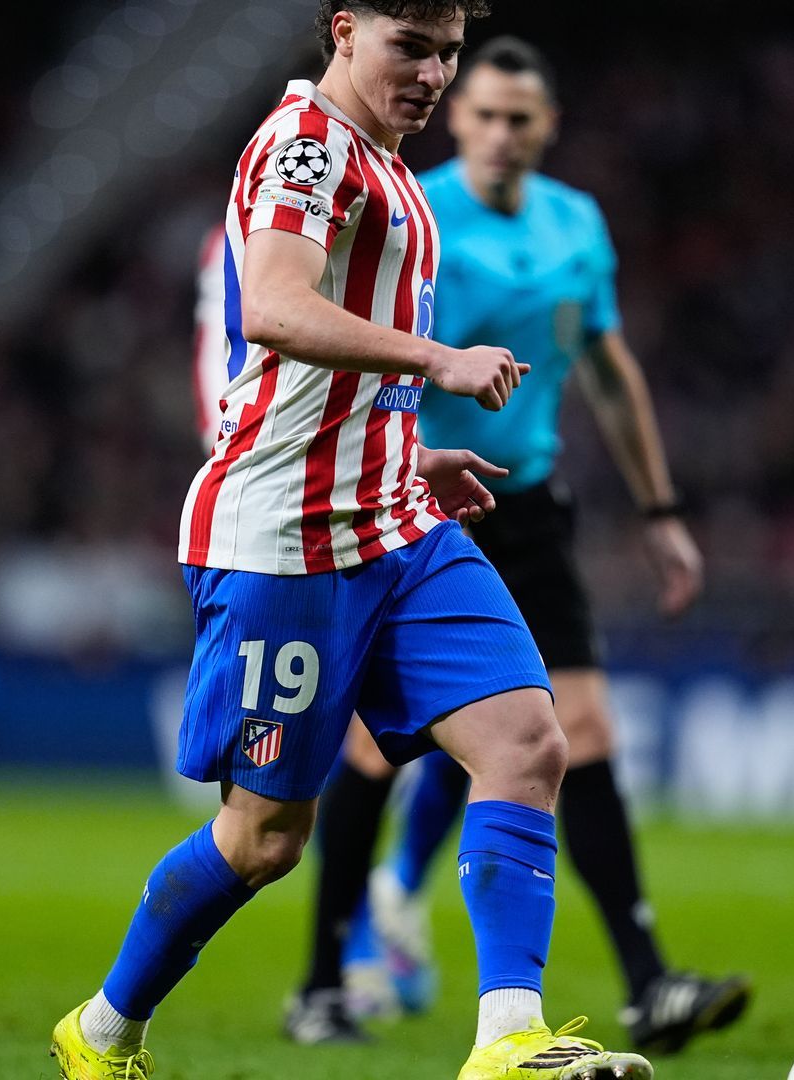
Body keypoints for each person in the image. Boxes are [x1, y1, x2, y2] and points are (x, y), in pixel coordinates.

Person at [49, 5, 655, 1079]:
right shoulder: (304, 146)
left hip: (395, 520)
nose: (434, 73)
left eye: (448, 51)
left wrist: (409, 453)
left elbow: (325, 379)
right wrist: (437, 360)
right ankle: (101, 1031)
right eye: (409, 47)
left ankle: (508, 1038)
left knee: (528, 742)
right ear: (343, 31)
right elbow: (275, 310)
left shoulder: (388, 166)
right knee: (264, 841)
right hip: (286, 544)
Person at [279, 36, 751, 1058]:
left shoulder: (576, 224)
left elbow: (608, 371)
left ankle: (649, 984)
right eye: (484, 114)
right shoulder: (412, 208)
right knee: (371, 749)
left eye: (519, 119)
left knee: (580, 730)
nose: (499, 133)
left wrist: (661, 510)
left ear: (547, 128)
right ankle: (321, 983)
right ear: (458, 118)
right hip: (412, 501)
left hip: (528, 507)